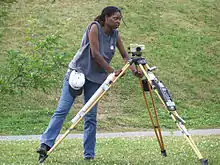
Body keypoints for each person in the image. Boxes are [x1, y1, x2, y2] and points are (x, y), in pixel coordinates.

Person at [37, 6, 142, 161]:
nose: (118, 21)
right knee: (62, 110)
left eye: (120, 18)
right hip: (78, 74)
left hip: (95, 79)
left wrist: (134, 71)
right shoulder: (94, 27)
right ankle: (45, 144)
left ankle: (89, 155)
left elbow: (126, 56)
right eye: (115, 18)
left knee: (90, 116)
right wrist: (112, 70)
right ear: (105, 17)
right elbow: (95, 54)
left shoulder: (115, 35)